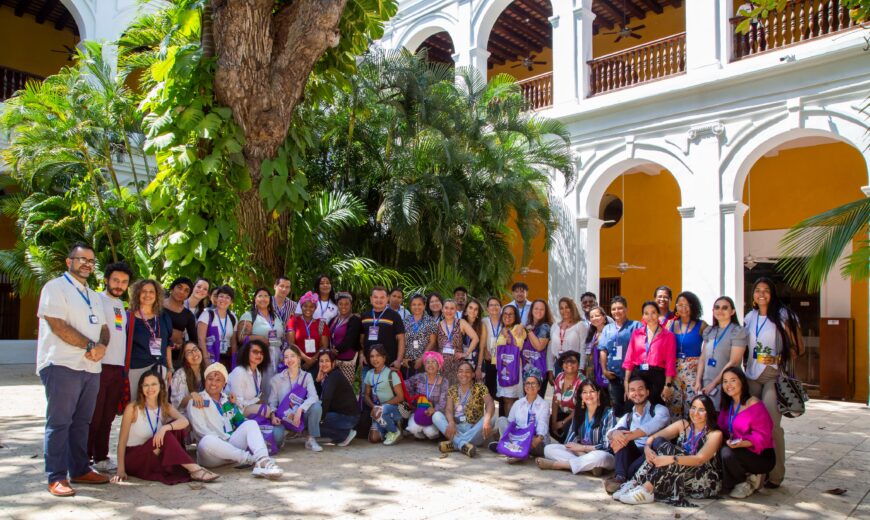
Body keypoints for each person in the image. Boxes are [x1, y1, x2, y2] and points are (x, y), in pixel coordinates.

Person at [37, 243, 112, 496]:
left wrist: (101, 346)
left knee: (82, 422)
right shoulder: (55, 288)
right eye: (82, 259)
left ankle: (80, 469)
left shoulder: (94, 295)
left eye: (91, 261)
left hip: (91, 367)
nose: (87, 264)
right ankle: (56, 476)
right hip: (61, 364)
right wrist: (90, 345)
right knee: (60, 422)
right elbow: (57, 325)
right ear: (69, 262)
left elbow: (104, 328)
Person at [113, 370, 219, 485]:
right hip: (135, 458)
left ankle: (189, 467)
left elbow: (185, 421)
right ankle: (195, 469)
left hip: (152, 453)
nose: (150, 388)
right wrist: (120, 470)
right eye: (146, 385)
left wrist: (165, 428)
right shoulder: (133, 408)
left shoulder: (164, 406)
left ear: (160, 386)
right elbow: (122, 442)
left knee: (173, 427)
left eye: (154, 384)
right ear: (141, 388)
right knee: (166, 436)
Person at [615, 394, 723, 506]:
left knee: (670, 453)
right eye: (693, 408)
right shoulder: (683, 424)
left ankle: (646, 489)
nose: (695, 413)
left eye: (701, 410)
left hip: (703, 479)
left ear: (709, 412)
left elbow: (699, 460)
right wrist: (647, 449)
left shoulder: (715, 434)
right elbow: (653, 438)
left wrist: (671, 459)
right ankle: (635, 484)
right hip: (678, 470)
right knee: (662, 444)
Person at [745, 277, 800, 488]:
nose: (761, 294)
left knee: (773, 425)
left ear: (772, 294)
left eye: (766, 290)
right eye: (757, 290)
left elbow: (796, 349)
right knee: (751, 425)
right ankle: (757, 471)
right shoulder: (750, 317)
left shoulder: (783, 316)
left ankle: (776, 474)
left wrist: (778, 358)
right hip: (751, 375)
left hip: (773, 375)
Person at [187, 362, 283, 478]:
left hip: (232, 448)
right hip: (212, 455)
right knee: (206, 441)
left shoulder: (228, 400)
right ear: (205, 380)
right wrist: (226, 447)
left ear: (224, 383)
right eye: (210, 379)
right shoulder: (197, 400)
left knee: (251, 424)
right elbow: (200, 431)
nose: (213, 383)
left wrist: (234, 406)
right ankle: (251, 459)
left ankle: (263, 460)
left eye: (218, 380)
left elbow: (240, 422)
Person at [89, 261, 133, 472]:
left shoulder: (122, 306)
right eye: (115, 280)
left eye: (124, 282)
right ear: (106, 279)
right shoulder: (96, 299)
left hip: (118, 368)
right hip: (99, 366)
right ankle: (84, 458)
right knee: (93, 415)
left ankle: (101, 457)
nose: (119, 285)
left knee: (107, 416)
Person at [603, 375, 670, 494]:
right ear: (628, 394)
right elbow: (609, 433)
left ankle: (628, 478)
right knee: (620, 430)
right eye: (632, 390)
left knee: (656, 441)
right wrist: (615, 434)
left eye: (640, 389)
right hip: (632, 458)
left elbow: (652, 426)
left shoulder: (659, 410)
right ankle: (620, 479)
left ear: (647, 391)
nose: (637, 393)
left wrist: (627, 436)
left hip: (649, 456)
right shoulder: (628, 416)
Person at [536, 380, 616, 476]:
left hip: (602, 455)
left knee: (600, 457)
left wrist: (583, 448)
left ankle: (558, 465)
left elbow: (606, 446)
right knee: (548, 449)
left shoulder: (608, 413)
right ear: (581, 396)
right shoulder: (579, 412)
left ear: (598, 394)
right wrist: (580, 451)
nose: (588, 395)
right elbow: (570, 441)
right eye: (585, 392)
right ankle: (590, 468)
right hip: (581, 454)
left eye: (592, 391)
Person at [718, 367, 775, 499]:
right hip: (737, 448)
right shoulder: (728, 405)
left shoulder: (753, 403)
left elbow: (763, 436)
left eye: (733, 380)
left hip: (760, 454)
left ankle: (745, 482)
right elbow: (721, 428)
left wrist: (742, 443)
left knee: (726, 453)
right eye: (725, 381)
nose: (728, 385)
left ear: (742, 382)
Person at [695, 296, 747, 410]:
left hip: (726, 384)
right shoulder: (709, 331)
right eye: (717, 307)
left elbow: (734, 361)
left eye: (724, 308)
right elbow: (703, 358)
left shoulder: (737, 331)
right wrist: (698, 380)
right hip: (706, 383)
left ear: (732, 311)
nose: (720, 311)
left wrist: (713, 384)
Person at [434, 360, 495, 457]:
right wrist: (451, 422)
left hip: (474, 430)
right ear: (457, 374)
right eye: (461, 371)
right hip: (456, 429)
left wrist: (486, 421)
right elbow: (449, 410)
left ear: (473, 374)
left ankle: (455, 444)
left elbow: (490, 403)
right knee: (436, 416)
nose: (464, 374)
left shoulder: (480, 387)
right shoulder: (452, 389)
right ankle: (463, 445)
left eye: (467, 371)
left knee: (492, 418)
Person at [268, 345, 323, 452]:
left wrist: (300, 409)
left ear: (299, 358)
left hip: (300, 417)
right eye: (286, 357)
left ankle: (311, 438)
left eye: (292, 356)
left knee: (316, 406)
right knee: (276, 439)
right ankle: (287, 433)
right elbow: (272, 402)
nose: (289, 359)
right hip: (283, 418)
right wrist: (273, 416)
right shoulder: (276, 379)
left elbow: (314, 396)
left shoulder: (307, 376)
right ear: (284, 361)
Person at [623, 301, 677, 408]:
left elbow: (670, 363)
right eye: (646, 313)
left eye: (653, 313)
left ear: (658, 314)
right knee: (634, 407)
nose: (650, 316)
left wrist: (667, 385)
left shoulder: (668, 335)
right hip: (638, 375)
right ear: (643, 316)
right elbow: (629, 359)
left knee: (655, 408)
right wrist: (626, 381)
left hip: (656, 376)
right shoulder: (637, 333)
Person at [491, 368, 550, 462]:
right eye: (527, 383)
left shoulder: (544, 405)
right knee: (502, 420)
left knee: (538, 445)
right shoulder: (518, 403)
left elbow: (543, 424)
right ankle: (514, 450)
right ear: (524, 386)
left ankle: (510, 450)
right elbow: (510, 424)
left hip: (535, 440)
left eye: (533, 383)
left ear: (539, 386)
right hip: (518, 438)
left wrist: (537, 439)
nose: (530, 386)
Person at [127, 279, 174, 397]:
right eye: (144, 291)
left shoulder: (163, 316)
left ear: (157, 295)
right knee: (137, 404)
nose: (148, 295)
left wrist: (170, 368)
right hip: (137, 368)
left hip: (160, 367)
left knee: (158, 406)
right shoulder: (129, 317)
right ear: (137, 294)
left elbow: (168, 344)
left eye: (151, 292)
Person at [599, 296, 641, 417]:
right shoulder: (607, 328)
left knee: (632, 406)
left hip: (632, 375)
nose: (617, 311)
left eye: (620, 308)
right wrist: (604, 370)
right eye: (614, 309)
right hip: (614, 376)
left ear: (626, 309)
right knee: (617, 407)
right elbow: (603, 350)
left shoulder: (635, 326)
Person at [238, 287, 283, 396]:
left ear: (270, 299)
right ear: (255, 299)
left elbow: (282, 336)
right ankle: (262, 410)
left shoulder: (276, 316)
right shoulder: (249, 316)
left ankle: (274, 410)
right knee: (262, 386)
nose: (263, 299)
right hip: (259, 356)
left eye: (266, 296)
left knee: (277, 387)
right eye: (260, 296)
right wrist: (259, 338)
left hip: (277, 356)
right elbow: (241, 337)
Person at [668, 291, 707, 418]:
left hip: (693, 371)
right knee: (673, 406)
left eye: (686, 305)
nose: (683, 308)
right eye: (680, 305)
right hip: (674, 370)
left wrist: (699, 378)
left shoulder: (702, 325)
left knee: (691, 405)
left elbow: (706, 352)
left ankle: (691, 436)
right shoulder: (671, 324)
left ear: (693, 306)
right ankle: (675, 436)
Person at [315, 349, 360, 446]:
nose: (324, 364)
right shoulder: (329, 375)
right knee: (314, 421)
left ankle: (345, 433)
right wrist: (318, 381)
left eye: (327, 361)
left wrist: (320, 419)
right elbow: (320, 397)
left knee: (313, 420)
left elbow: (326, 400)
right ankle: (343, 435)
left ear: (333, 362)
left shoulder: (334, 376)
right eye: (321, 361)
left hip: (349, 418)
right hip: (343, 416)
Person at [363, 345, 405, 445]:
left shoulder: (391, 373)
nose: (374, 359)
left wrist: (381, 407)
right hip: (378, 412)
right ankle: (388, 429)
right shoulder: (369, 373)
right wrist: (374, 406)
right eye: (372, 356)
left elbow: (400, 397)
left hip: (393, 410)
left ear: (384, 358)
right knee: (373, 438)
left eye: (378, 355)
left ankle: (395, 431)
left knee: (383, 410)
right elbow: (366, 395)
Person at [405, 351, 449, 440]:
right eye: (428, 362)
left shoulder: (444, 382)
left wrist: (434, 409)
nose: (430, 365)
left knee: (431, 433)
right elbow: (405, 385)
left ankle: (431, 432)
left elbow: (443, 402)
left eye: (433, 362)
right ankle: (421, 431)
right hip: (419, 412)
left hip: (434, 413)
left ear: (439, 366)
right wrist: (413, 400)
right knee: (413, 429)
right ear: (424, 366)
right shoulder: (419, 377)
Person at [360, 286, 406, 371]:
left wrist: (399, 360)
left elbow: (401, 339)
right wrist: (362, 354)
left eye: (382, 297)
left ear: (387, 298)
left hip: (389, 364)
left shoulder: (394, 316)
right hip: (368, 363)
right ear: (371, 299)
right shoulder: (365, 316)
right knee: (367, 384)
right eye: (375, 297)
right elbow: (361, 339)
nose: (379, 300)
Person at [437, 299, 479, 385]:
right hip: (443, 367)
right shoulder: (438, 325)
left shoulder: (461, 323)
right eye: (446, 308)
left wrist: (466, 353)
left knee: (457, 394)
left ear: (456, 310)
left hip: (458, 366)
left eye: (452, 308)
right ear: (442, 309)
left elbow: (475, 338)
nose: (449, 311)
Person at [288, 291, 331, 370]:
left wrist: (312, 360)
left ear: (315, 308)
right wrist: (306, 359)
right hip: (297, 362)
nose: (308, 309)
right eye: (305, 306)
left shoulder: (321, 324)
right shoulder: (293, 321)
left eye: (311, 306)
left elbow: (324, 346)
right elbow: (291, 343)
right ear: (301, 307)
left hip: (316, 364)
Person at [548, 297, 586, 385]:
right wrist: (550, 370)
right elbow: (550, 350)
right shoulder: (554, 326)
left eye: (567, 307)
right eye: (561, 308)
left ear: (572, 308)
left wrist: (581, 369)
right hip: (558, 365)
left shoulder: (580, 325)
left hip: (573, 365)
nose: (564, 310)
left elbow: (582, 348)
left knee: (573, 394)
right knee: (559, 395)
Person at [196, 285, 238, 366]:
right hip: (211, 357)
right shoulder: (207, 315)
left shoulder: (233, 317)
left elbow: (233, 342)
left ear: (231, 301)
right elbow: (201, 339)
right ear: (216, 298)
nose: (223, 299)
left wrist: (234, 362)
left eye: (227, 297)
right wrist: (206, 359)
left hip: (227, 358)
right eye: (221, 296)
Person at [228, 339, 271, 416]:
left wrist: (256, 401)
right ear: (246, 353)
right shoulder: (239, 371)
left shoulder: (258, 372)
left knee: (267, 408)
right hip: (235, 410)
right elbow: (237, 401)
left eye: (261, 353)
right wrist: (255, 401)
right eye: (255, 352)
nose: (259, 355)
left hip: (247, 407)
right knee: (266, 410)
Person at [495, 305, 524, 417]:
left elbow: (518, 346)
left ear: (515, 316)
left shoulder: (517, 328)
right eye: (505, 314)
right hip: (502, 369)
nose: (507, 316)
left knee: (512, 399)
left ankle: (513, 427)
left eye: (511, 314)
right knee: (506, 400)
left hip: (513, 369)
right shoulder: (501, 328)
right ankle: (508, 427)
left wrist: (507, 334)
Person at [550, 351, 583, 443]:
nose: (569, 364)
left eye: (573, 361)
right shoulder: (560, 377)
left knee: (566, 426)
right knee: (548, 423)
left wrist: (562, 422)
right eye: (566, 361)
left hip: (578, 415)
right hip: (564, 412)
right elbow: (555, 401)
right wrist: (553, 422)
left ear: (578, 364)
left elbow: (580, 408)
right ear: (562, 364)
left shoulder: (582, 381)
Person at [162, 277, 198, 365]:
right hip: (153, 352)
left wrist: (183, 346)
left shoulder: (188, 315)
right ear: (172, 287)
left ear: (188, 295)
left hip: (176, 357)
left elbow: (194, 341)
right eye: (179, 287)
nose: (182, 292)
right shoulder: (156, 306)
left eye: (186, 290)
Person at [401, 294, 437, 379]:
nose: (417, 307)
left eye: (419, 304)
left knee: (421, 388)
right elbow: (401, 340)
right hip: (407, 362)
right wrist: (403, 358)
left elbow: (432, 342)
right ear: (410, 306)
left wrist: (422, 358)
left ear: (424, 305)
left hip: (423, 362)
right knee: (407, 388)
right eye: (414, 304)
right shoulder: (405, 321)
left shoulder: (430, 321)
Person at [330, 292, 362, 384]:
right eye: (340, 304)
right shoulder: (334, 319)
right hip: (333, 359)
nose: (343, 306)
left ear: (351, 305)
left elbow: (349, 340)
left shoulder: (354, 320)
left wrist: (335, 350)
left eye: (346, 304)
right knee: (334, 388)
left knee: (345, 388)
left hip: (347, 360)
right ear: (337, 305)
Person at [523, 299, 552, 395]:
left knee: (536, 401)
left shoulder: (545, 327)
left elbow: (539, 347)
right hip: (525, 369)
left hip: (538, 371)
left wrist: (529, 331)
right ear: (531, 310)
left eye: (542, 309)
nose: (538, 311)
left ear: (546, 311)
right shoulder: (528, 325)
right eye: (536, 308)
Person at [170, 342, 206, 412]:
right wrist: (191, 396)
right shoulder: (179, 375)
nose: (194, 354)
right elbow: (177, 405)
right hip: (186, 415)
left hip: (205, 412)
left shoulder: (207, 371)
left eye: (195, 349)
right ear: (185, 358)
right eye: (189, 352)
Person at [480, 297, 502, 398]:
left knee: (502, 392)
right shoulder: (483, 321)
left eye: (496, 304)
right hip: (488, 359)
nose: (494, 307)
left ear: (501, 307)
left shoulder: (505, 320)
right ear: (487, 308)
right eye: (491, 305)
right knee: (489, 391)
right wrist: (484, 351)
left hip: (503, 361)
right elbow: (480, 339)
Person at [462, 299, 486, 381]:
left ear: (478, 313)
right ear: (466, 310)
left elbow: (482, 348)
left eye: (476, 309)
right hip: (462, 362)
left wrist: (479, 367)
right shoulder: (460, 323)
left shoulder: (482, 326)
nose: (473, 311)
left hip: (476, 362)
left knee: (477, 391)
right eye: (470, 308)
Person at [586, 306, 609, 387]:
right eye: (591, 317)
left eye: (597, 315)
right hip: (592, 370)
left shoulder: (610, 331)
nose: (594, 318)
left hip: (605, 369)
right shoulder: (591, 333)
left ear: (604, 317)